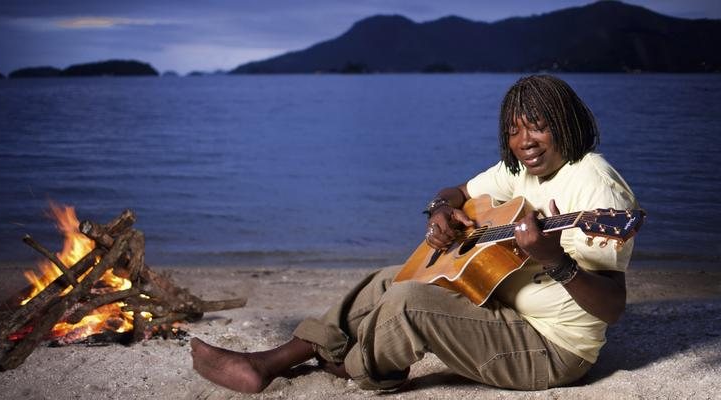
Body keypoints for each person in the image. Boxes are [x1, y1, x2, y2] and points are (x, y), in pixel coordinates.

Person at [190, 75, 638, 393]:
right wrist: (441, 211)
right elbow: (457, 191)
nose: (525, 141)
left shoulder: (596, 186)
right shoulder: (518, 170)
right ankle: (267, 362)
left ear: (566, 122)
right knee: (395, 275)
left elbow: (613, 307)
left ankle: (353, 365)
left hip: (550, 350)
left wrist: (554, 260)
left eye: (538, 125)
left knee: (409, 301)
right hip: (501, 305)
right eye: (514, 130)